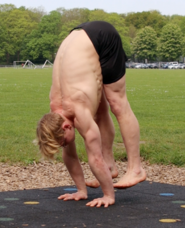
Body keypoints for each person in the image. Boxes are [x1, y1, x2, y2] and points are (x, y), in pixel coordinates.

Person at [36, 21, 146, 208]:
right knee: (98, 108)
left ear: (66, 126)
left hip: (102, 37)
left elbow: (94, 158)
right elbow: (70, 156)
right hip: (79, 39)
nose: (65, 146)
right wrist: (81, 190)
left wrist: (108, 196)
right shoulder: (57, 112)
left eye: (63, 142)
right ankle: (109, 167)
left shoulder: (77, 111)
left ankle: (135, 168)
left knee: (117, 103)